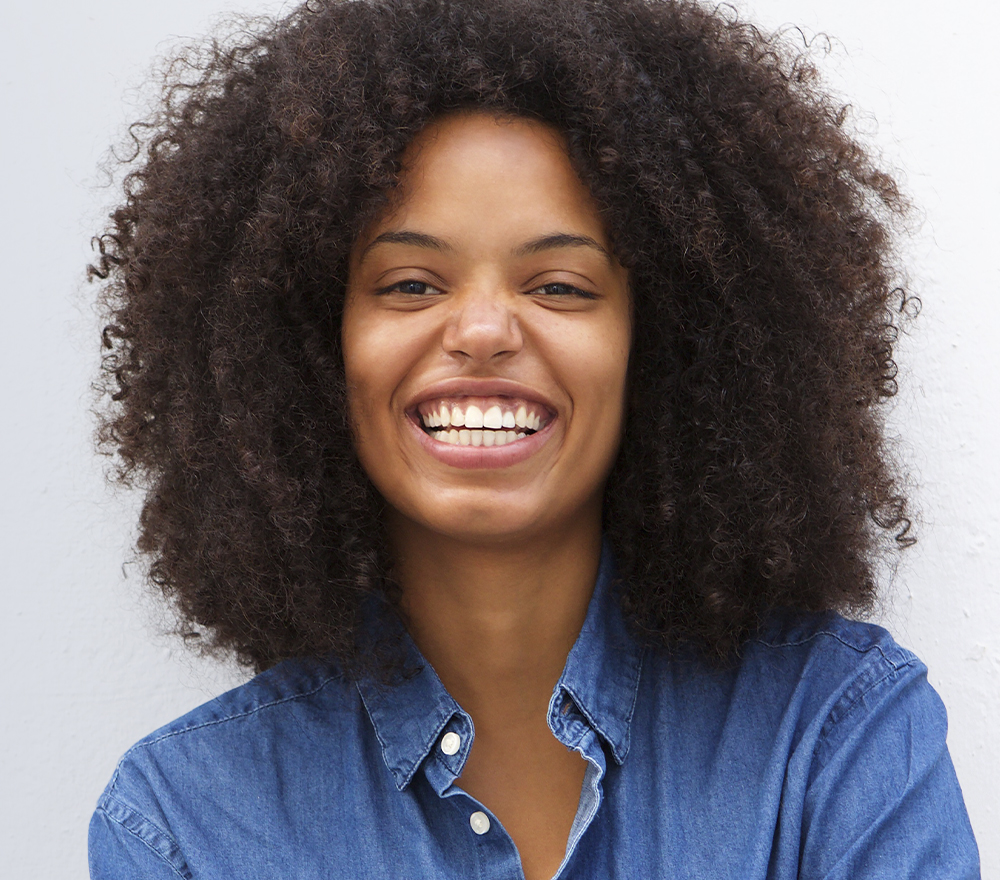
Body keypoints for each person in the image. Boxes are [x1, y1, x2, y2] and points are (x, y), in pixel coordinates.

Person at [87, 0, 980, 877]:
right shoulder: (184, 822)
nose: (482, 330)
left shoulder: (835, 736)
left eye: (558, 286)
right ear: (309, 346)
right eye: (408, 284)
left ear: (663, 344)